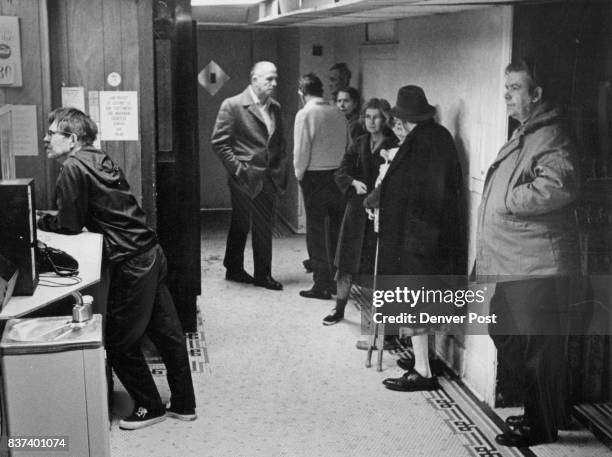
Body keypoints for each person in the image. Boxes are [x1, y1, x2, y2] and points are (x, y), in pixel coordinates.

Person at [38, 107, 196, 430]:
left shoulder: (72, 167)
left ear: (71, 138)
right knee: (167, 332)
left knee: (118, 342)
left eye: (51, 132)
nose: (45, 138)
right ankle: (183, 403)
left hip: (132, 263)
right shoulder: (97, 157)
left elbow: (69, 224)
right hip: (151, 251)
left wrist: (42, 220)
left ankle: (150, 407)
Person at [475, 59, 579, 447]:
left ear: (536, 95)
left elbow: (560, 185)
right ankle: (543, 410)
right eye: (505, 88)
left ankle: (542, 423)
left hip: (540, 265)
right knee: (504, 329)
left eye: (515, 88)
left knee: (539, 349)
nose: (507, 95)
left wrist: (507, 198)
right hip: (517, 261)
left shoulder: (551, 135)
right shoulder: (527, 132)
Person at [369, 86, 466, 392]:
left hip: (417, 238)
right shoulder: (439, 137)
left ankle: (423, 371)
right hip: (435, 236)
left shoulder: (420, 143)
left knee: (414, 303)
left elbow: (417, 193)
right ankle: (425, 359)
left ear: (404, 118)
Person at [211, 61, 288, 291]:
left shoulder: (275, 107)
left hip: (268, 177)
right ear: (254, 80)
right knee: (242, 223)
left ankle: (259, 273)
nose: (274, 84)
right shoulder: (232, 105)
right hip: (244, 176)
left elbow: (280, 143)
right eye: (269, 79)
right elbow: (219, 143)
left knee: (263, 226)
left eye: (275, 79)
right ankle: (236, 269)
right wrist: (238, 169)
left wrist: (279, 169)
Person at [323, 98, 397, 325]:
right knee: (345, 261)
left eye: (376, 117)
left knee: (376, 265)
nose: (371, 121)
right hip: (356, 211)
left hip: (379, 214)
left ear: (385, 119)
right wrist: (353, 182)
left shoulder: (394, 144)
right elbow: (341, 171)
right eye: (367, 116)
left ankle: (378, 320)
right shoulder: (360, 141)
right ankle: (339, 309)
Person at [293, 73, 348, 299]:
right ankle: (335, 280)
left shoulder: (305, 114)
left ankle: (320, 284)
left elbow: (301, 151)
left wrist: (299, 175)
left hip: (314, 176)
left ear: (301, 93)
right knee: (335, 230)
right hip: (337, 175)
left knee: (315, 232)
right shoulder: (338, 111)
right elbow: (348, 144)